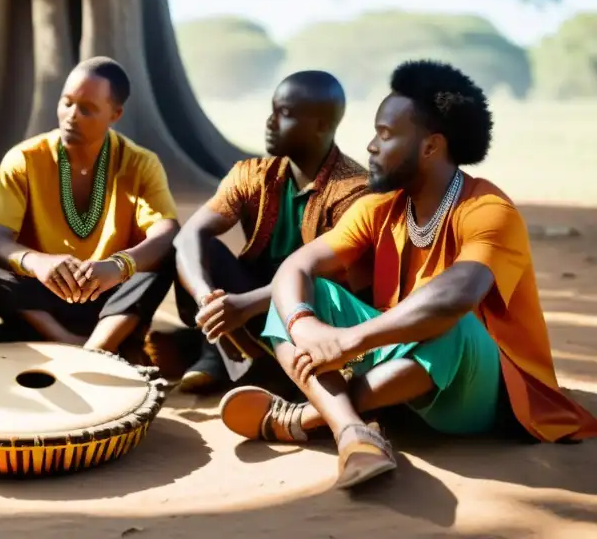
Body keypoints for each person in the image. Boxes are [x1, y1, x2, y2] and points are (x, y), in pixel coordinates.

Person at [214, 60, 597, 489]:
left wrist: (348, 342)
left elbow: (458, 294)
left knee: (454, 320)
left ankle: (305, 416)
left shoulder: (489, 210)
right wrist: (306, 326)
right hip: (397, 367)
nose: (371, 147)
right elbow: (297, 266)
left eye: (385, 133)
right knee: (295, 298)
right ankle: (352, 434)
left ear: (431, 146)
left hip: (481, 390)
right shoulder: (380, 206)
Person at [173, 71, 369, 392]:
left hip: (309, 313)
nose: (270, 122)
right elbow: (189, 234)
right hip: (244, 305)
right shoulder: (252, 175)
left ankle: (272, 368)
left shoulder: (355, 191)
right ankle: (218, 352)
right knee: (195, 250)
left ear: (322, 125)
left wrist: (245, 305)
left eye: (286, 113)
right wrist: (206, 299)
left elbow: (334, 278)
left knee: (319, 290)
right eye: (273, 109)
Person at [0, 57, 179, 356]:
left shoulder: (140, 163)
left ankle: (100, 344)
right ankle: (73, 345)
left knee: (164, 259)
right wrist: (38, 263)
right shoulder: (24, 159)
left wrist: (117, 266)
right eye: (67, 102)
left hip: (111, 298)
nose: (71, 116)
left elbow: (166, 231)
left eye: (87, 109)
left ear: (115, 113)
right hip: (45, 294)